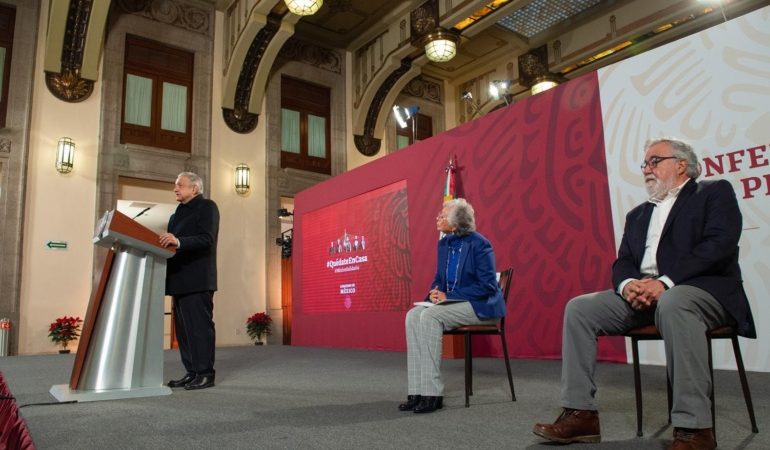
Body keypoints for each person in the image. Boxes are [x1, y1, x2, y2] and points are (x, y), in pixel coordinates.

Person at [533, 138, 755, 449]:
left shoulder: (713, 192)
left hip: (701, 291)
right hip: (646, 296)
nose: (647, 169)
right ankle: (580, 414)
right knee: (580, 309)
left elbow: (718, 245)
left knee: (675, 303)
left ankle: (695, 430)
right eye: (645, 164)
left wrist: (664, 282)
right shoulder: (638, 214)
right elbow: (624, 260)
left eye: (655, 161)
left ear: (681, 165)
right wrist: (628, 286)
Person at [398, 198, 506, 414]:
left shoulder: (480, 244)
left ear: (456, 222)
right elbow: (439, 278)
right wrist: (435, 294)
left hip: (480, 306)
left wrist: (450, 295)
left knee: (430, 317)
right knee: (413, 315)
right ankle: (417, 391)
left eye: (443, 214)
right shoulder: (444, 244)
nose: (438, 216)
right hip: (453, 303)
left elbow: (486, 286)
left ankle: (432, 395)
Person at [159, 172, 220, 390]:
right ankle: (191, 371)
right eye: (175, 186)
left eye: (180, 185)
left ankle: (205, 373)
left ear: (194, 188)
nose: (175, 189)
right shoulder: (176, 214)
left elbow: (207, 239)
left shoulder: (207, 207)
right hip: (179, 280)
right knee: (183, 332)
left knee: (199, 329)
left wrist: (178, 240)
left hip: (198, 279)